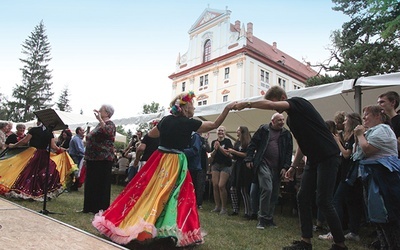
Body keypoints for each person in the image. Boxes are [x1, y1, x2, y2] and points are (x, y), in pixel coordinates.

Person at [92, 91, 235, 248]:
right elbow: (214, 125)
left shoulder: (165, 120)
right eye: (192, 105)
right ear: (186, 107)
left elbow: (151, 135)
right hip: (175, 162)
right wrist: (227, 109)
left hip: (159, 160)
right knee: (174, 195)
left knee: (148, 192)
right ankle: (164, 230)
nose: (194, 108)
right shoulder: (190, 123)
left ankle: (139, 223)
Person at [234, 86, 347, 250]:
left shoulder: (298, 103)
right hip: (314, 159)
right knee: (302, 197)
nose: (273, 108)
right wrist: (293, 166)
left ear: (282, 97)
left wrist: (248, 104)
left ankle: (340, 244)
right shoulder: (290, 120)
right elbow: (301, 143)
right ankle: (305, 241)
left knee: (323, 200)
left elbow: (275, 105)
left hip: (328, 156)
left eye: (274, 104)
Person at [353, 105, 400, 249]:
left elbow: (367, 150)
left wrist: (360, 135)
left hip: (384, 179)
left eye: (367, 115)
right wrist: (359, 137)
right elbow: (356, 155)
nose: (364, 118)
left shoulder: (383, 130)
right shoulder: (373, 131)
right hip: (373, 177)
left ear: (378, 116)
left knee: (387, 218)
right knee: (377, 219)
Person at [319, 113, 364, 242]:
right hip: (349, 174)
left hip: (349, 174)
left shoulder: (352, 137)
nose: (343, 123)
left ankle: (335, 231)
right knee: (351, 203)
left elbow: (346, 154)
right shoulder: (350, 136)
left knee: (336, 201)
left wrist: (337, 141)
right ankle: (353, 232)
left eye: (345, 121)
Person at [245, 113, 293, 229]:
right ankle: (261, 219)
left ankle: (269, 219)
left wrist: (285, 167)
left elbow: (288, 152)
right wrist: (249, 158)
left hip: (278, 167)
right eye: (279, 120)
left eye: (283, 120)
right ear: (272, 121)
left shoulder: (286, 134)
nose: (282, 122)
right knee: (267, 189)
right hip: (263, 163)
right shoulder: (264, 130)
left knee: (274, 194)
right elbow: (253, 144)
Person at [5, 118, 66, 200]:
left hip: (32, 153)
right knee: (43, 171)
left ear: (38, 122)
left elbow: (24, 141)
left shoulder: (34, 130)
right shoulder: (49, 132)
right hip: (44, 154)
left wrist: (13, 145)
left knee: (27, 171)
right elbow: (53, 146)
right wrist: (60, 149)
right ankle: (40, 190)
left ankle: (24, 190)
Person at [81, 104, 116, 214]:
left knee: (101, 184)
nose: (99, 111)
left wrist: (100, 120)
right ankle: (88, 207)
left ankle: (100, 208)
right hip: (93, 158)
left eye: (101, 110)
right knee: (91, 183)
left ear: (107, 113)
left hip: (103, 159)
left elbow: (108, 132)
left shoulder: (110, 124)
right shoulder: (98, 125)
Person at [228, 126, 252, 218]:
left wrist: (233, 151)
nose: (236, 131)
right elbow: (235, 155)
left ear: (242, 132)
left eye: (238, 130)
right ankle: (235, 209)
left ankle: (248, 211)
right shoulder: (237, 142)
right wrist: (230, 154)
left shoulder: (248, 142)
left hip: (244, 168)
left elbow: (247, 155)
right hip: (237, 167)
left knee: (244, 189)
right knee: (233, 188)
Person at [210, 125, 233, 215]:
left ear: (225, 133)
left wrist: (219, 147)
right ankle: (217, 206)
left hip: (226, 165)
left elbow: (228, 154)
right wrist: (215, 149)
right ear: (216, 132)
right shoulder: (213, 142)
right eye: (219, 130)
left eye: (222, 131)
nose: (220, 132)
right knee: (215, 185)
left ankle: (224, 208)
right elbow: (211, 155)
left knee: (221, 185)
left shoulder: (227, 141)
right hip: (216, 165)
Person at [377, 91, 400, 156]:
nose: (378, 105)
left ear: (393, 102)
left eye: (382, 102)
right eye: (378, 103)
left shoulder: (398, 120)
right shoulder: (382, 123)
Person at [68, 126, 86, 191]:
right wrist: (86, 153)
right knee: (75, 171)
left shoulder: (79, 139)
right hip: (75, 157)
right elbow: (79, 149)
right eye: (82, 130)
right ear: (79, 131)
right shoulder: (76, 139)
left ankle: (74, 186)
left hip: (78, 157)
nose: (84, 132)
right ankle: (72, 186)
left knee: (77, 171)